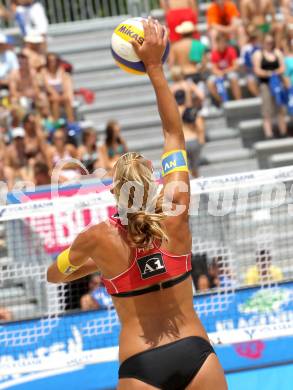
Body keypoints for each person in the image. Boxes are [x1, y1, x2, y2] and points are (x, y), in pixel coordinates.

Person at [47, 18, 227, 390]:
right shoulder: (174, 207)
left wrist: (103, 267)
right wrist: (155, 67)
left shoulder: (99, 238)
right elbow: (174, 132)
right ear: (154, 185)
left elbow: (55, 275)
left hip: (140, 361)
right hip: (195, 350)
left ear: (115, 193)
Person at [171, 66, 205, 177]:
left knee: (185, 171)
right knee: (195, 170)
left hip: (181, 138)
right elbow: (201, 95)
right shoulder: (188, 85)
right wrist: (195, 103)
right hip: (190, 114)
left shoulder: (171, 88)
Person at [253, 34, 287, 138]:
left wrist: (275, 73)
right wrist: (269, 73)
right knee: (267, 109)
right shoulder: (258, 54)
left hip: (278, 83)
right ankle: (269, 133)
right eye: (267, 42)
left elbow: (283, 67)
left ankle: (283, 132)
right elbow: (257, 70)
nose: (269, 44)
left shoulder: (277, 52)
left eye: (271, 42)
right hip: (266, 84)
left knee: (281, 108)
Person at [169, 21, 208, 85]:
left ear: (181, 33)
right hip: (196, 74)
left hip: (182, 75)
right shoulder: (198, 44)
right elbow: (204, 64)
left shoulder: (175, 46)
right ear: (192, 33)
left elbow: (171, 65)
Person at [207, 33, 242, 105]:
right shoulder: (214, 53)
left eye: (224, 42)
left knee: (234, 78)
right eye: (220, 42)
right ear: (217, 43)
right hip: (219, 73)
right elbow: (214, 68)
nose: (222, 44)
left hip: (229, 71)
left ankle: (239, 101)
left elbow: (236, 66)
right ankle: (222, 102)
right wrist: (219, 73)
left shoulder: (231, 50)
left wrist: (225, 71)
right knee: (210, 83)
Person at [42, 53, 75, 123]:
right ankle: (56, 122)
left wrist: (64, 94)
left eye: (54, 60)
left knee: (66, 99)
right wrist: (54, 93)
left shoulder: (61, 71)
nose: (52, 63)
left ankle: (71, 121)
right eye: (50, 61)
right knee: (55, 100)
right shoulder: (44, 71)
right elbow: (46, 85)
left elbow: (64, 84)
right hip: (49, 95)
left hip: (60, 93)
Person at [240, 27, 261, 96]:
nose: (253, 40)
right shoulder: (245, 48)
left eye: (254, 37)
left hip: (262, 70)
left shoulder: (261, 46)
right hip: (251, 71)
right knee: (250, 81)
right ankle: (260, 97)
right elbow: (244, 64)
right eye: (251, 37)